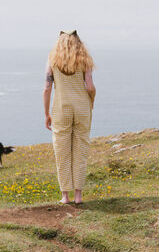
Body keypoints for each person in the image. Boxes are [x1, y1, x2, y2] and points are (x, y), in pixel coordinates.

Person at [43, 30, 96, 204]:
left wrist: (46, 114)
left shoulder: (52, 60)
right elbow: (90, 87)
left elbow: (47, 88)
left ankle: (65, 196)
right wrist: (91, 102)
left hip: (61, 108)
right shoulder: (85, 60)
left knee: (62, 151)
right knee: (81, 150)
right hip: (81, 107)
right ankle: (78, 195)